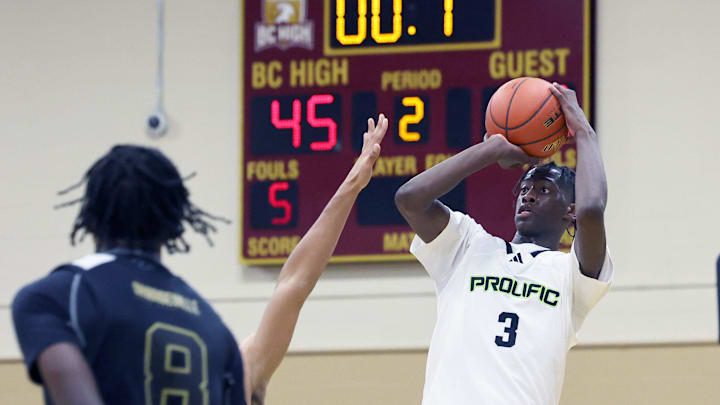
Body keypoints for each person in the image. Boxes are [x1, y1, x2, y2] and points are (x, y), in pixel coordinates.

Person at [12, 114, 388, 405]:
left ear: (90, 214)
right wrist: (352, 186)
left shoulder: (60, 296)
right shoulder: (212, 331)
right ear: (175, 221)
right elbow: (293, 284)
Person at [395, 84, 612, 405]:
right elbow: (410, 199)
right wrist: (492, 149)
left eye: (545, 189)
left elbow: (592, 209)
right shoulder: (469, 246)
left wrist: (583, 131)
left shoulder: (571, 275)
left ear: (570, 211)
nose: (529, 193)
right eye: (525, 187)